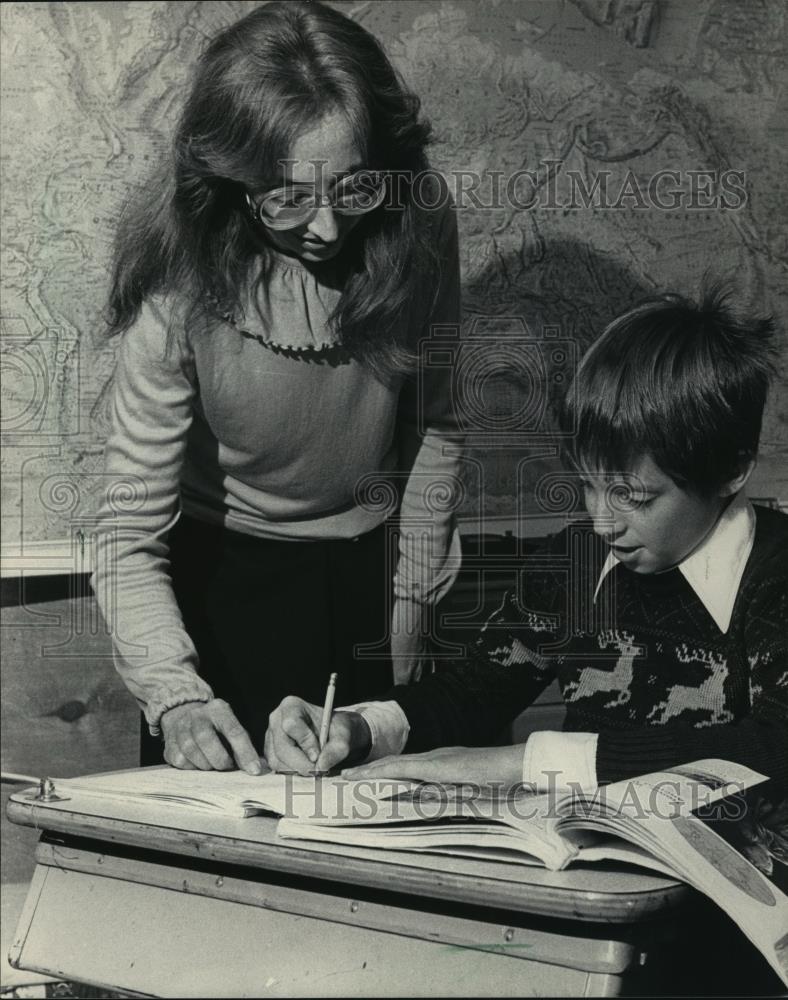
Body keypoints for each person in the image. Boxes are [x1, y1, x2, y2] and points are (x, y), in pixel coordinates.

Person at [90, 1, 462, 774]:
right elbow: (128, 539)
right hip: (220, 589)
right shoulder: (179, 279)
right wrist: (178, 697)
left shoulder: (419, 221)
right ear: (229, 177)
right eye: (288, 198)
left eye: (353, 190)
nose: (326, 229)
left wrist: (412, 605)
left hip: (373, 576)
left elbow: (438, 424)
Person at [264, 285, 788, 798]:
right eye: (588, 485)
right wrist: (359, 727)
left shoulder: (776, 575)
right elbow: (474, 691)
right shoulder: (574, 559)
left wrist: (524, 763)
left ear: (731, 471)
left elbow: (770, 750)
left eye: (637, 497)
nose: (603, 523)